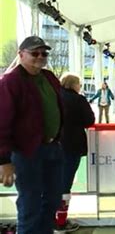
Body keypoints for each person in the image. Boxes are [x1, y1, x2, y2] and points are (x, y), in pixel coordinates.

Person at [0, 36, 64, 233]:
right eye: (34, 53)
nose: (40, 57)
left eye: (44, 53)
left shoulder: (50, 77)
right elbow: (2, 122)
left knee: (53, 200)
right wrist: (4, 161)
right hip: (26, 152)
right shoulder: (10, 82)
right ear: (21, 55)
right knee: (30, 203)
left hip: (53, 148)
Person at [55, 73, 95, 232]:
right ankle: (60, 222)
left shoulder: (54, 97)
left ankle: (49, 218)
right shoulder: (78, 100)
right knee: (65, 184)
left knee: (51, 183)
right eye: (79, 84)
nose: (80, 87)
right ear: (73, 85)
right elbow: (89, 120)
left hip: (52, 146)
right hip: (72, 146)